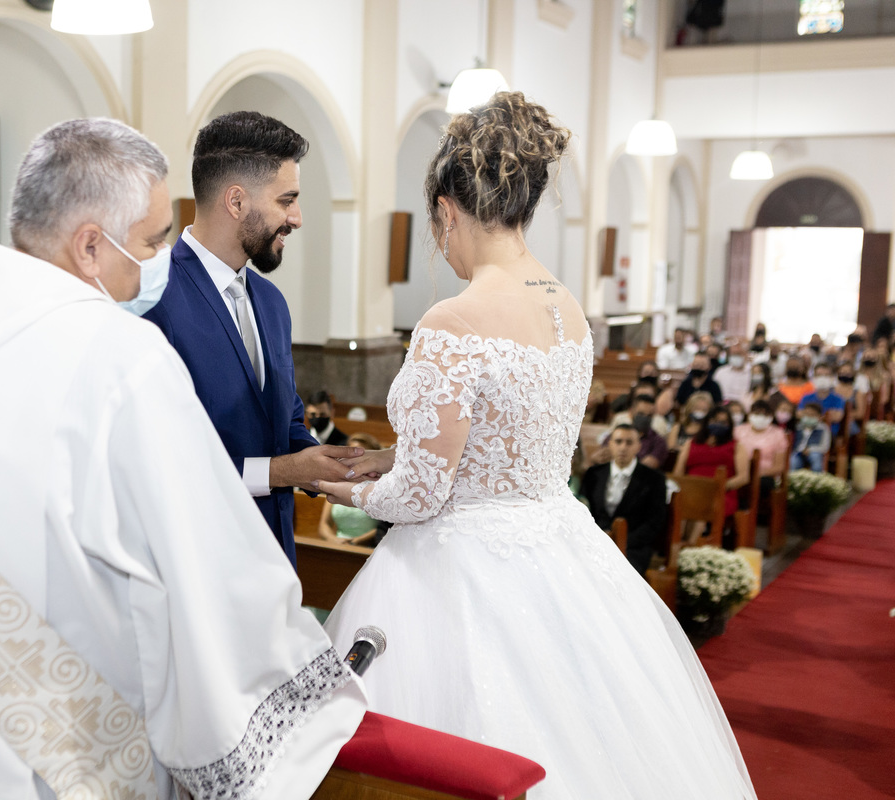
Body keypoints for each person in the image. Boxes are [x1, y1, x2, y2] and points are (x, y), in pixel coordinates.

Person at [0, 118, 365, 800]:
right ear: (88, 245)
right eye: (151, 241)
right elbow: (201, 559)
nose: (160, 262)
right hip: (53, 744)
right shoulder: (118, 358)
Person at [315, 93, 755, 799]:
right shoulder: (569, 306)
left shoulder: (452, 319)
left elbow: (422, 497)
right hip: (561, 551)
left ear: (447, 210)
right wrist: (395, 457)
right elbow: (502, 448)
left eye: (438, 229)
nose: (441, 247)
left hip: (456, 570)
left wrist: (330, 481)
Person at [142, 111, 360, 567]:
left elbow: (287, 422)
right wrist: (285, 471)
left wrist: (343, 468)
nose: (297, 218)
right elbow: (156, 463)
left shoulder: (271, 301)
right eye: (287, 200)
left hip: (276, 558)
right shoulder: (152, 297)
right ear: (236, 201)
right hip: (197, 563)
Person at [579, 424, 668, 575]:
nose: (623, 447)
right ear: (610, 444)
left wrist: (621, 542)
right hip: (594, 543)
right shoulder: (594, 474)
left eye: (629, 442)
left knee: (618, 575)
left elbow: (654, 521)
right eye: (618, 441)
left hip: (633, 548)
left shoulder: (654, 479)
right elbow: (583, 511)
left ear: (638, 446)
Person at [674, 407, 750, 540]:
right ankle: (676, 545)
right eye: (715, 421)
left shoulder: (736, 446)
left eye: (723, 422)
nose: (718, 425)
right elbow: (678, 472)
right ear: (707, 422)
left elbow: (743, 477)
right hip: (692, 490)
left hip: (721, 492)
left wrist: (719, 486)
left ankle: (690, 547)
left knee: (702, 504)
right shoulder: (691, 443)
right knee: (682, 504)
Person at [319, 433, 383, 545]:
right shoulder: (337, 482)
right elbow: (324, 524)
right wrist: (335, 540)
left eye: (362, 454)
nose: (357, 459)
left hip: (369, 547)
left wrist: (356, 542)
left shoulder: (382, 485)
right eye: (353, 454)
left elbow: (385, 527)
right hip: (338, 546)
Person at [733, 401, 789, 514]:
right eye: (757, 413)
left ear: (771, 417)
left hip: (764, 474)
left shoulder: (778, 434)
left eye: (764, 415)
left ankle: (750, 514)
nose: (760, 417)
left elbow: (779, 466)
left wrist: (756, 473)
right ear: (750, 414)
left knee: (760, 485)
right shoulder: (738, 430)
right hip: (739, 470)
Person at [607, 393, 667, 468]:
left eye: (649, 416)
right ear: (631, 412)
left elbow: (649, 466)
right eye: (641, 414)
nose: (645, 418)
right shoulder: (617, 434)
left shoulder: (658, 442)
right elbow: (603, 458)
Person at [798, 363, 846, 435]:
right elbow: (799, 414)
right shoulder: (806, 397)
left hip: (828, 434)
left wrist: (810, 415)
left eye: (826, 375)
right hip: (806, 432)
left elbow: (837, 417)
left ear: (832, 378)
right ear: (814, 377)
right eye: (819, 375)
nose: (822, 378)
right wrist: (824, 416)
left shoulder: (838, 399)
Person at [791, 401, 831, 472]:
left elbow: (825, 446)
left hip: (815, 451)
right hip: (798, 452)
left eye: (812, 415)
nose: (809, 417)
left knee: (815, 457)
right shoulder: (798, 427)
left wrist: (810, 449)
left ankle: (816, 480)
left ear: (820, 417)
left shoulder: (823, 428)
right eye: (806, 414)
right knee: (793, 460)